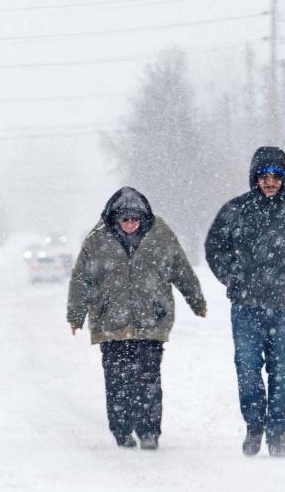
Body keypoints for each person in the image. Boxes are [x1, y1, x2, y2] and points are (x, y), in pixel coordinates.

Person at [204, 147, 285, 458]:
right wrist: (232, 277)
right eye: (264, 176)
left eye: (276, 177)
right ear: (255, 178)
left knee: (281, 370)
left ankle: (279, 434)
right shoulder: (235, 211)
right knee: (247, 368)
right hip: (245, 306)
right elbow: (214, 247)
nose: (270, 182)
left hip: (284, 306)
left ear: (284, 179)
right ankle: (254, 425)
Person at [67, 186, 207, 450]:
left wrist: (196, 301)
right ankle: (121, 429)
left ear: (144, 218)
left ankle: (149, 431)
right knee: (117, 380)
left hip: (150, 323)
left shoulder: (162, 237)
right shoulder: (97, 241)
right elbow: (81, 280)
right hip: (111, 325)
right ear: (115, 219)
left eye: (135, 219)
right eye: (125, 219)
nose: (131, 224)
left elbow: (182, 270)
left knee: (148, 378)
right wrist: (76, 315)